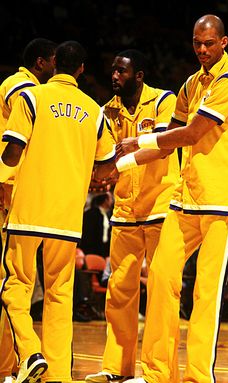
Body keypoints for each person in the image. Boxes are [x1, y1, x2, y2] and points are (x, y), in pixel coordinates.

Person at [114, 14, 228, 383]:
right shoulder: (189, 84)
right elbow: (167, 143)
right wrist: (119, 165)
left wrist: (140, 140)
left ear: (224, 43)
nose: (201, 49)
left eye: (209, 43)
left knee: (206, 293)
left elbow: (192, 133)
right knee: (163, 276)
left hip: (219, 198)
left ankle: (199, 377)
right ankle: (156, 374)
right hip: (184, 197)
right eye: (197, 43)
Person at [0, 40, 116, 383]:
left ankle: (30, 351)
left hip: (27, 211)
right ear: (81, 69)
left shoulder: (31, 98)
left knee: (14, 286)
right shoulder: (94, 110)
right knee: (60, 295)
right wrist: (91, 178)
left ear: (53, 65)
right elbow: (107, 165)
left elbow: (12, 152)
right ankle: (59, 374)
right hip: (67, 218)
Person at [86, 49, 181, 383]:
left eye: (121, 71)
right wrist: (99, 173)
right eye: (113, 70)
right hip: (125, 209)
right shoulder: (106, 111)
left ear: (138, 75)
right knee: (119, 293)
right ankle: (116, 368)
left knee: (160, 294)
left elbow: (162, 146)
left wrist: (120, 161)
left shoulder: (163, 101)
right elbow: (106, 157)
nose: (114, 76)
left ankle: (158, 374)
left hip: (161, 207)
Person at [0, 37, 57, 383]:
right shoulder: (22, 87)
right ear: (40, 62)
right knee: (12, 282)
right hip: (7, 191)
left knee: (11, 283)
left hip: (14, 192)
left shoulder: (31, 89)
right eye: (53, 62)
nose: (57, 68)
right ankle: (24, 354)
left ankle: (9, 364)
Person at [80, 191, 114, 258]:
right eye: (110, 198)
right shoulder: (91, 214)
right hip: (91, 250)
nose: (112, 201)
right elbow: (88, 233)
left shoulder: (107, 215)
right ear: (105, 200)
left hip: (103, 250)